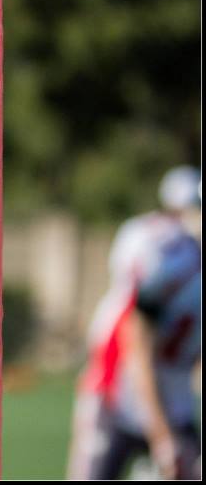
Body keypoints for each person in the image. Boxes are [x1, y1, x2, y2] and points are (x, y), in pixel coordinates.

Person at [67, 165, 202, 480]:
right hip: (120, 393)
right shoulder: (175, 263)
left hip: (174, 399)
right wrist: (161, 436)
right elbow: (136, 344)